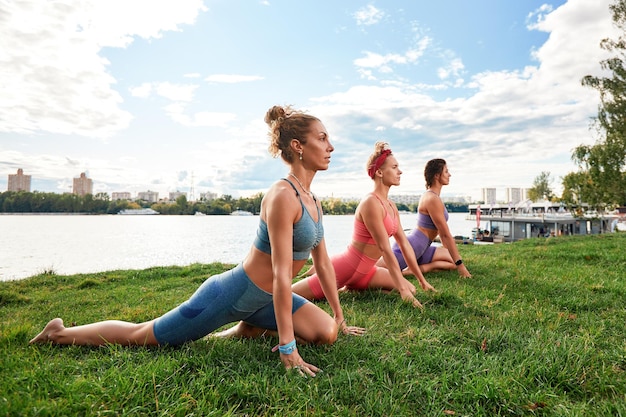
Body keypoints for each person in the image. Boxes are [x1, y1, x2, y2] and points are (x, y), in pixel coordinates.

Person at [30, 105, 364, 377]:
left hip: (264, 301)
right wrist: (288, 347)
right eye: (322, 138)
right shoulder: (282, 196)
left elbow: (321, 263)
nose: (331, 146)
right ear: (298, 147)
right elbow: (280, 274)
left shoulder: (314, 201)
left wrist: (339, 317)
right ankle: (59, 333)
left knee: (326, 333)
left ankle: (245, 329)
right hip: (232, 294)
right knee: (144, 337)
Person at [292, 141, 435, 308]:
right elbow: (384, 248)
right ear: (380, 172)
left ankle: (353, 288)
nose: (400, 171)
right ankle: (345, 285)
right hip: (346, 267)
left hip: (367, 272)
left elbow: (404, 244)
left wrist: (421, 281)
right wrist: (402, 289)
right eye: (394, 167)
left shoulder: (391, 206)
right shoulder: (371, 203)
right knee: (290, 295)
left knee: (412, 289)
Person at [377, 158, 472, 278]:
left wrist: (452, 256)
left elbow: (442, 235)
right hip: (411, 247)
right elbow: (445, 234)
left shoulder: (434, 196)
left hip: (423, 248)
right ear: (437, 175)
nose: (450, 174)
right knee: (373, 271)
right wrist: (462, 268)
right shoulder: (432, 199)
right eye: (446, 171)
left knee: (453, 261)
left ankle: (414, 269)